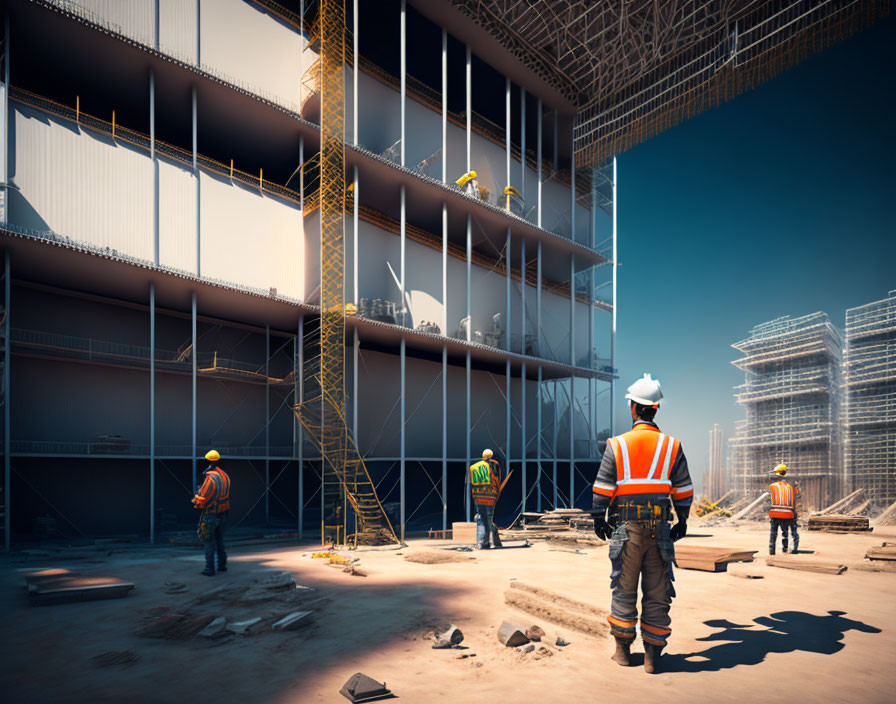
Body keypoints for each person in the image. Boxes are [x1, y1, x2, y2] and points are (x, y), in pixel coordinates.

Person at [591, 374, 694, 674]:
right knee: (658, 591)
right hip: (660, 528)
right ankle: (652, 658)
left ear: (633, 408)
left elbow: (603, 487)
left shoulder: (617, 445)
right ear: (656, 409)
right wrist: (683, 519)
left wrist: (599, 517)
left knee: (623, 588)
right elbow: (684, 489)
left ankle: (622, 653)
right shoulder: (672, 446)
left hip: (625, 529)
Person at [192, 450, 231, 576]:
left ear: (208, 461)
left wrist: (196, 499)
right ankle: (222, 565)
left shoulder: (211, 478)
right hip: (223, 513)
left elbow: (203, 498)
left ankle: (209, 569)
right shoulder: (225, 476)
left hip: (211, 515)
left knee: (209, 541)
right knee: (220, 540)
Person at [469, 449, 503, 549]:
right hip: (489, 497)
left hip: (478, 497)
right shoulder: (492, 465)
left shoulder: (473, 467)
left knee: (482, 517)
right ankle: (486, 541)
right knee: (488, 518)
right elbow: (496, 480)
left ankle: (484, 541)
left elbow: (471, 483)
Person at [768, 463, 799, 555]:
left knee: (773, 532)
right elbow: (795, 501)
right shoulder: (791, 487)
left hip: (774, 513)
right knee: (785, 531)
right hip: (788, 514)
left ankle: (771, 550)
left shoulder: (772, 486)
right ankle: (785, 549)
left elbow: (769, 500)